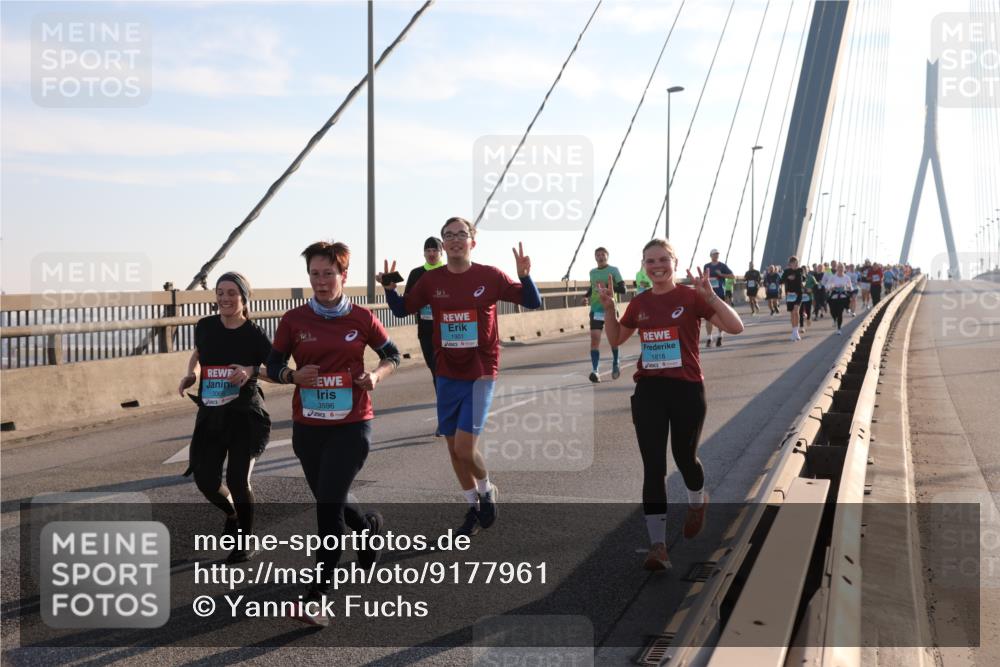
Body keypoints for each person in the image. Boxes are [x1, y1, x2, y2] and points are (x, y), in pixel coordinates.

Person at [267, 241, 401, 626]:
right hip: (308, 427)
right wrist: (293, 376)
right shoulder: (294, 320)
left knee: (327, 511)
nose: (322, 281)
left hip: (352, 424)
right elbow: (273, 364)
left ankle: (317, 597)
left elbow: (392, 355)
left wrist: (375, 375)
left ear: (344, 275)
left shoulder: (360, 318)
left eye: (329, 273)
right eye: (314, 274)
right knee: (333, 501)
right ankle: (368, 528)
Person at [382, 217, 541, 537]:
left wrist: (526, 277)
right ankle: (472, 504)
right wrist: (389, 290)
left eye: (461, 234)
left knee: (466, 448)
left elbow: (532, 301)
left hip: (481, 370)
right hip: (447, 370)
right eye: (449, 236)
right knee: (453, 448)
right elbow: (402, 310)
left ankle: (486, 490)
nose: (455, 240)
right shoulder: (431, 281)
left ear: (473, 241)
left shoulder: (490, 276)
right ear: (443, 244)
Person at [599, 239, 744, 571]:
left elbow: (735, 327)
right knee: (653, 467)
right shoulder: (640, 302)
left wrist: (712, 298)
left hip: (687, 389)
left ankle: (697, 501)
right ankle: (658, 546)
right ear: (644, 265)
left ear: (675, 263)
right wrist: (609, 309)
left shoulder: (691, 297)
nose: (656, 265)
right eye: (650, 261)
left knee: (685, 458)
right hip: (649, 389)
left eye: (663, 259)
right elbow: (617, 339)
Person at [179, 272, 272, 565]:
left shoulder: (254, 333)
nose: (225, 298)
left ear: (244, 297)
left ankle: (245, 542)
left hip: (245, 415)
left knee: (237, 479)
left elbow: (276, 369)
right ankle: (232, 513)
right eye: (220, 293)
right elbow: (199, 353)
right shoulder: (205, 326)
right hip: (211, 414)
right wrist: (192, 374)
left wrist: (250, 371)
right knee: (205, 479)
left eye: (232, 293)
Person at [403, 237, 446, 434]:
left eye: (434, 250)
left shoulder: (449, 271)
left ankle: (448, 418)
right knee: (437, 373)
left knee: (448, 374)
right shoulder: (417, 273)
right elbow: (407, 302)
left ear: (441, 252)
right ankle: (446, 417)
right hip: (427, 332)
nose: (431, 253)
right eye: (427, 250)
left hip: (450, 331)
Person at [581, 247, 626, 382]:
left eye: (603, 255)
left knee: (613, 339)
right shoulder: (592, 272)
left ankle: (616, 361)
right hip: (596, 309)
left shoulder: (613, 270)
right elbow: (593, 287)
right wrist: (586, 296)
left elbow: (623, 289)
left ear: (607, 256)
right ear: (595, 257)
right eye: (598, 255)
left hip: (610, 309)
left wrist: (608, 286)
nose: (600, 257)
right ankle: (595, 371)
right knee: (595, 340)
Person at [702, 249, 735, 347]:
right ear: (710, 255)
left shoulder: (722, 266)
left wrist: (721, 275)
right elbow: (704, 278)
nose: (716, 256)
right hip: (709, 294)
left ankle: (720, 336)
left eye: (717, 254)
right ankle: (709, 338)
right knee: (708, 317)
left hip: (720, 294)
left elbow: (732, 276)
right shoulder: (706, 266)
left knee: (720, 316)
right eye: (714, 254)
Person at [822, 263, 854, 334]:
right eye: (839, 268)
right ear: (837, 269)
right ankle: (834, 319)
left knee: (840, 313)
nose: (840, 269)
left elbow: (851, 288)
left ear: (844, 269)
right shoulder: (833, 277)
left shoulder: (847, 277)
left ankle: (839, 329)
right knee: (833, 312)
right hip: (834, 296)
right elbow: (827, 286)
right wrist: (832, 286)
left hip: (843, 297)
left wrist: (848, 287)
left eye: (842, 268)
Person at [781, 256, 805, 341]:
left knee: (796, 311)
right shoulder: (786, 271)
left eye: (797, 263)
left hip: (798, 294)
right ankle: (794, 332)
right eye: (794, 263)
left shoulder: (800, 270)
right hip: (790, 295)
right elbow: (781, 281)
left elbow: (802, 278)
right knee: (792, 313)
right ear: (790, 264)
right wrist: (787, 277)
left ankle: (797, 332)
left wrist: (795, 276)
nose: (796, 265)